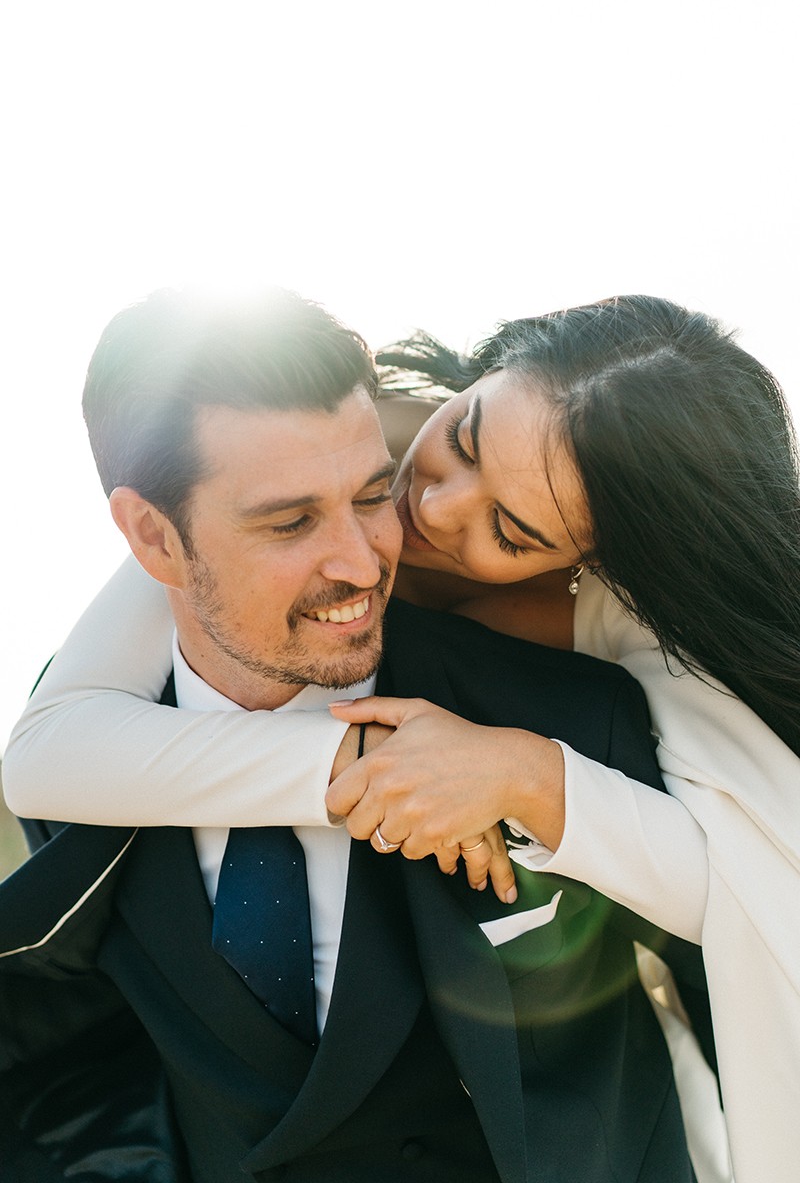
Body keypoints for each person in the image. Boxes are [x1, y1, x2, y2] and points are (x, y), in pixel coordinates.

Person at [0, 287, 704, 1183]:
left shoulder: (568, 712)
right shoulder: (88, 753)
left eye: (374, 494)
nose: (364, 561)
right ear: (153, 537)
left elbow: (747, 958)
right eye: (290, 521)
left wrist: (541, 784)